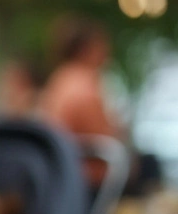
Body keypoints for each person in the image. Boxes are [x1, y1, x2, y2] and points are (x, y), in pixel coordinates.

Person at [39, 18, 122, 183]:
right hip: (84, 180)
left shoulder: (59, 79)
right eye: (101, 45)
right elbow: (106, 139)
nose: (107, 52)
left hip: (57, 173)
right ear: (86, 49)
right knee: (148, 165)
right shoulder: (85, 84)